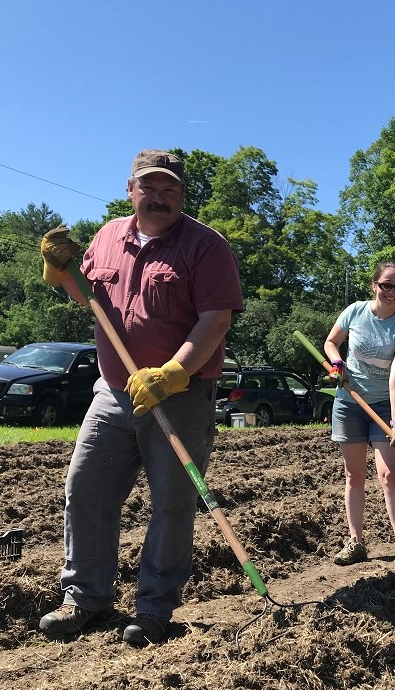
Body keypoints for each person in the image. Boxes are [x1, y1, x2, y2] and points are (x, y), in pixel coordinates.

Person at [38, 149, 243, 645]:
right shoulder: (109, 235)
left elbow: (216, 319)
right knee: (85, 490)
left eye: (169, 188)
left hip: (180, 395)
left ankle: (154, 609)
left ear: (182, 194)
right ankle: (84, 598)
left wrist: (173, 372)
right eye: (148, 187)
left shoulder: (206, 246)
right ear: (130, 189)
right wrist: (59, 270)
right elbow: (88, 295)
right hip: (112, 391)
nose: (158, 196)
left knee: (171, 504)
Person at [324, 261, 395, 567]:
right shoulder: (355, 311)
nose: (391, 291)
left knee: (389, 474)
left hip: (381, 406)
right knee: (354, 475)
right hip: (349, 401)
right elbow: (331, 342)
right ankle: (356, 542)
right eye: (386, 285)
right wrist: (338, 363)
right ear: (374, 285)